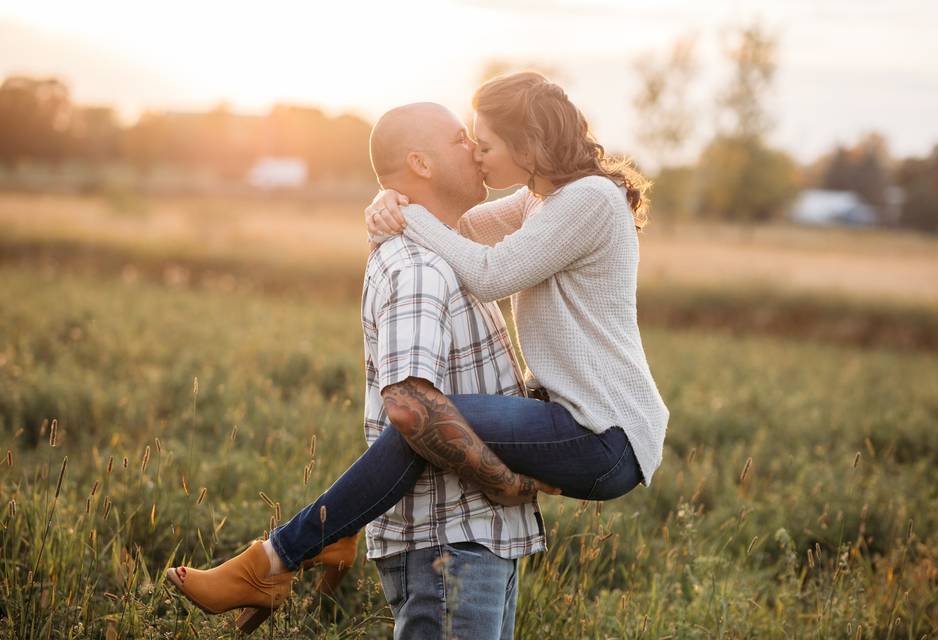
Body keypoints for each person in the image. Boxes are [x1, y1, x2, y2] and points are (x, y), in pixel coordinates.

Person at [166, 70, 670, 637]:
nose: (478, 157)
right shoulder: (540, 202)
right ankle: (310, 545)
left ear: (526, 145)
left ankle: (281, 556)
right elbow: (459, 228)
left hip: (603, 434)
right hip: (578, 425)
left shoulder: (590, 201)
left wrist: (405, 212)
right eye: (468, 144)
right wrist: (390, 202)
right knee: (422, 422)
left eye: (485, 145)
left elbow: (489, 270)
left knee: (423, 417)